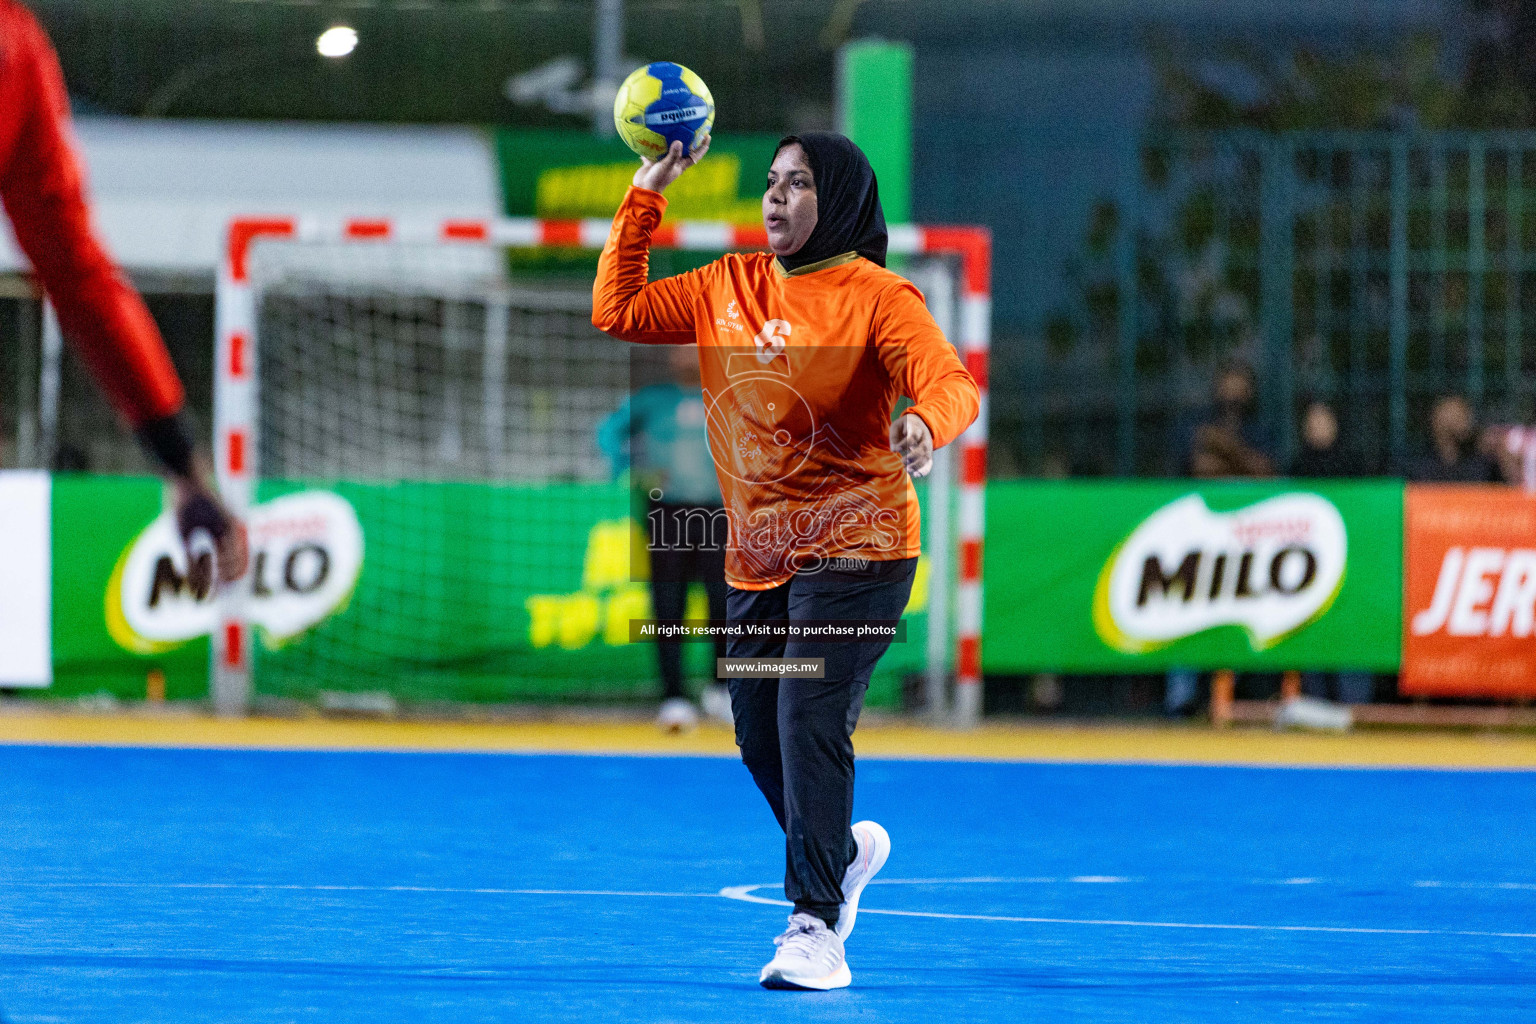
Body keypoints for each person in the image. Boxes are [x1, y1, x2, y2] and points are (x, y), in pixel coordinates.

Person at [593, 132, 979, 990]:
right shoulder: (725, 284)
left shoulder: (881, 298)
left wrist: (926, 423)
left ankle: (815, 926)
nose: (775, 197)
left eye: (797, 184)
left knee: (809, 714)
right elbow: (617, 309)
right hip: (758, 556)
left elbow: (952, 381)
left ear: (835, 199)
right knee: (758, 736)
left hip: (862, 546)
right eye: (770, 182)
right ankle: (842, 855)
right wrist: (645, 189)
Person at [0, 1, 244, 584]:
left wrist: (182, 461)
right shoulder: (13, 46)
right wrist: (184, 466)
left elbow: (78, 275)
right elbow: (79, 276)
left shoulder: (15, 50)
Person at [597, 346, 731, 732]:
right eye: (681, 348)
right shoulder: (653, 401)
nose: (689, 355)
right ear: (672, 356)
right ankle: (674, 698)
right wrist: (631, 469)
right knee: (668, 606)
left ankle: (721, 691)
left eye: (698, 347)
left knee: (724, 604)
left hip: (719, 514)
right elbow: (607, 433)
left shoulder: (731, 396)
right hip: (666, 513)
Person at [1166, 359, 1274, 716]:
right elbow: (1200, 469)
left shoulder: (1259, 430)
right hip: (1197, 544)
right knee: (1184, 615)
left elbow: (1265, 472)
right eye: (1228, 380)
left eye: (1240, 382)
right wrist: (1236, 462)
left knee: (1241, 618)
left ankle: (1234, 700)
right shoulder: (1197, 425)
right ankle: (1182, 700)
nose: (1233, 390)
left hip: (1247, 545)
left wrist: (1225, 450)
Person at [1288, 399, 1372, 705]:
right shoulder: (1296, 467)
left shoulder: (1354, 466)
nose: (1317, 427)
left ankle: (1355, 707)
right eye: (1311, 421)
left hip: (1350, 569)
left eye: (1323, 419)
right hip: (1309, 573)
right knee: (1312, 635)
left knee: (1351, 634)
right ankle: (1314, 703)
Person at [1401, 394, 1500, 483]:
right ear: (1437, 418)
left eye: (1465, 415)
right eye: (1458, 415)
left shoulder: (1481, 464)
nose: (1466, 421)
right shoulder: (1416, 465)